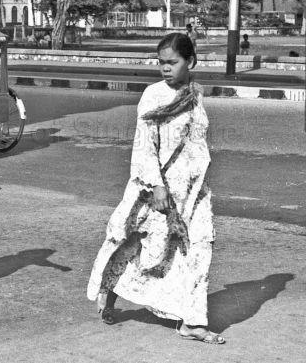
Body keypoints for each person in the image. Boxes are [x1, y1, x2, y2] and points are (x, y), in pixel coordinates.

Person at [87, 32, 225, 345]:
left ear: (190, 61)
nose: (165, 68)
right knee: (136, 243)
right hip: (156, 189)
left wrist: (197, 180)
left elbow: (196, 143)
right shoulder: (152, 95)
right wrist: (157, 186)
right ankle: (109, 290)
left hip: (193, 191)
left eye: (172, 62)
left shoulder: (196, 93)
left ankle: (192, 322)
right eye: (161, 62)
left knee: (201, 246)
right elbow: (145, 146)